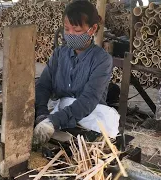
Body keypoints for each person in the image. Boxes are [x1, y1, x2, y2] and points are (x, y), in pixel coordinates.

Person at [33, 0, 120, 145]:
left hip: (89, 117)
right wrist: (42, 114)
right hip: (58, 111)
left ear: (92, 30)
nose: (71, 34)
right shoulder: (59, 53)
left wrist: (54, 121)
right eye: (67, 29)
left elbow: (89, 99)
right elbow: (43, 85)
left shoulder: (102, 60)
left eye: (77, 31)